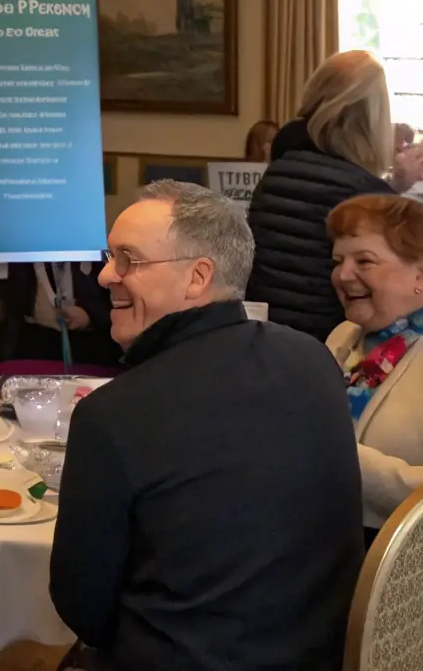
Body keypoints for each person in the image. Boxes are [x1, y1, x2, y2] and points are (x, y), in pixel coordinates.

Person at [50, 181, 363, 671]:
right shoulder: (313, 359)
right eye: (110, 256)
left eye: (129, 259)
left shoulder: (113, 416)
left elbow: (84, 610)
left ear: (198, 277)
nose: (107, 275)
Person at [245, 50, 394, 340]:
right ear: (371, 118)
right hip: (332, 348)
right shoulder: (363, 192)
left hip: (265, 339)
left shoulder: (277, 172)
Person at [327, 193, 423, 543]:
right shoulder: (343, 336)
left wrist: (339, 457)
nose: (343, 274)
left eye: (364, 261)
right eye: (338, 261)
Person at [3, 260, 118, 367]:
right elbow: (10, 299)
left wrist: (89, 314)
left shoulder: (93, 248)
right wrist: (32, 310)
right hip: (36, 342)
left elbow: (115, 295)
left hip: (94, 343)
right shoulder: (22, 254)